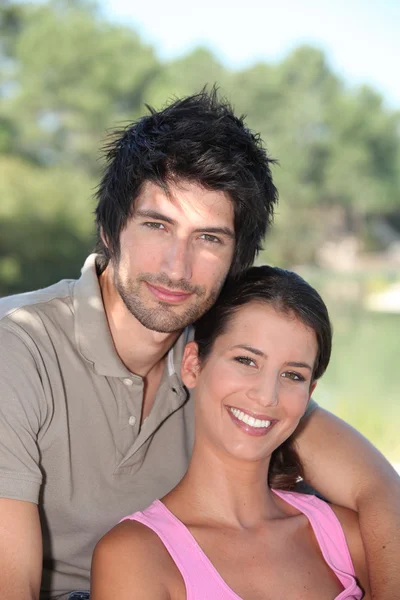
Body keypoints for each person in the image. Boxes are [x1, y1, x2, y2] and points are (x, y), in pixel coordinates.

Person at [0, 90, 398, 600]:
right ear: (109, 229)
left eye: (209, 238)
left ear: (237, 260)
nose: (176, 266)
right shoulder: (18, 347)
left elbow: (378, 489)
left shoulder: (222, 362)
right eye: (156, 225)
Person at [91, 266, 371, 599]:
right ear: (193, 365)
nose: (267, 396)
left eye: (292, 376)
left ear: (309, 394)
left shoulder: (347, 535)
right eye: (246, 360)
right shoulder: (135, 557)